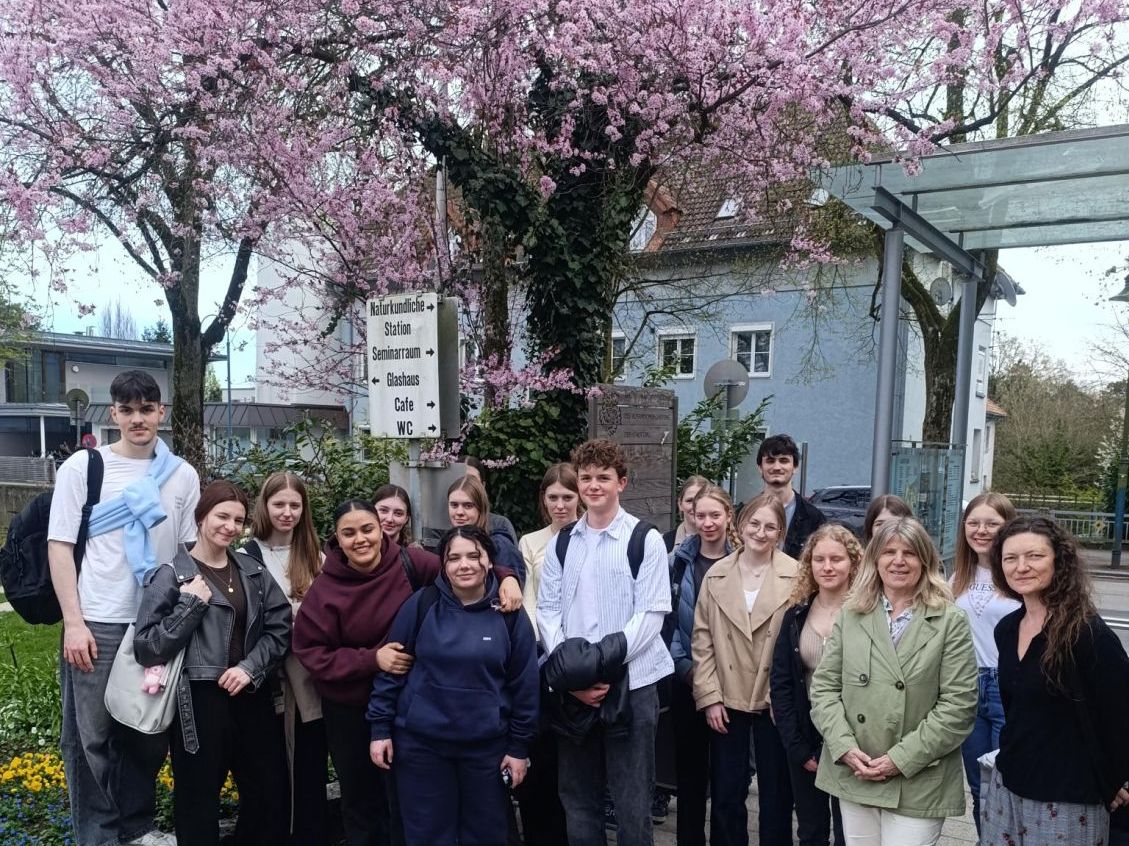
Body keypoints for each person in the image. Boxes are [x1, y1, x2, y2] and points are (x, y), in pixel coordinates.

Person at [294, 500, 523, 846]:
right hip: (351, 710)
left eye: (367, 529)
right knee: (360, 801)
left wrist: (506, 578)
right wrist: (371, 659)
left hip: (406, 707)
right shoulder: (325, 589)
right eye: (349, 533)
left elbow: (461, 565)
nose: (360, 539)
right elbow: (311, 652)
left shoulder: (409, 562)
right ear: (337, 539)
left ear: (381, 530)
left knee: (405, 805)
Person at [47, 369, 200, 846]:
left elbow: (186, 551)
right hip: (97, 619)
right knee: (89, 738)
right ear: (113, 413)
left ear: (161, 413)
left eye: (146, 409)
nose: (138, 419)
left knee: (145, 733)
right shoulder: (84, 468)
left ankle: (136, 828)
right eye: (128, 410)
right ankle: (97, 836)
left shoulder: (182, 474)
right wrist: (73, 622)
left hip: (153, 624)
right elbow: (59, 545)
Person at [134, 480, 292, 845]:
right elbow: (147, 647)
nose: (230, 527)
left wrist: (250, 667)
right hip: (198, 701)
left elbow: (280, 627)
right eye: (222, 516)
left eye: (238, 520)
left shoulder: (252, 571)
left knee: (268, 793)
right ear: (201, 516)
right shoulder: (172, 575)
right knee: (198, 800)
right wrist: (189, 605)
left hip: (250, 694)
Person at [537, 438, 673, 846]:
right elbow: (548, 611)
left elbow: (651, 616)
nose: (593, 485)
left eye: (603, 477)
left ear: (621, 483)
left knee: (632, 802)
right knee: (579, 800)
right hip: (575, 689)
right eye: (586, 478)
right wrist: (573, 672)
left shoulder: (644, 539)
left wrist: (600, 663)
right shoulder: (563, 542)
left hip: (633, 684)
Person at [368, 526, 540, 846]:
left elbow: (525, 685)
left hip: (486, 749)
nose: (465, 565)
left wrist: (519, 748)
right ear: (443, 564)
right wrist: (380, 728)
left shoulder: (509, 615)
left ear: (489, 561)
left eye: (474, 556)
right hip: (422, 747)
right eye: (454, 558)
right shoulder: (422, 604)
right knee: (427, 836)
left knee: (487, 836)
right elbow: (392, 670)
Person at [809, 517, 977, 846]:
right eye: (889, 552)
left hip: (919, 775)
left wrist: (899, 760)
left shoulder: (950, 621)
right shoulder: (852, 613)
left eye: (909, 553)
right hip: (858, 768)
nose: (898, 561)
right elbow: (825, 689)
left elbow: (958, 707)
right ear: (875, 559)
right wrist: (844, 747)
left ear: (925, 561)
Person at [982, 516, 1129, 845]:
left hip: (1067, 798)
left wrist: (1115, 780)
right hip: (1009, 785)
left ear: (1059, 561)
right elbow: (1016, 711)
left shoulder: (1087, 635)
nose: (1021, 567)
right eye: (1010, 558)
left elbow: (1120, 714)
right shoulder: (1007, 629)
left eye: (1034, 556)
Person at [691, 492, 797, 846]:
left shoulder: (797, 575)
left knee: (776, 794)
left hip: (774, 699)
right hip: (727, 697)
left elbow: (799, 641)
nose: (760, 532)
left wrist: (785, 697)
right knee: (726, 792)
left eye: (770, 526)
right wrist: (709, 696)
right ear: (740, 524)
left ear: (780, 532)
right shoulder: (717, 574)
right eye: (754, 523)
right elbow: (702, 639)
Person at [244, 472, 330, 845]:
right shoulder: (246, 556)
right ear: (264, 505)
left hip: (308, 684)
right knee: (270, 776)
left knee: (309, 771)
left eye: (295, 505)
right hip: (266, 684)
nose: (287, 512)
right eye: (279, 504)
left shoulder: (314, 555)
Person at [771, 523, 863, 846]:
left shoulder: (868, 615)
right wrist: (797, 748)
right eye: (819, 559)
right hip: (807, 733)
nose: (827, 567)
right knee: (810, 830)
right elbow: (781, 684)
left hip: (854, 736)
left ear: (853, 563)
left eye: (836, 559)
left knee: (850, 832)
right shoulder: (796, 615)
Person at [514, 463, 581, 846]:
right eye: (553, 497)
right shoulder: (530, 542)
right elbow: (530, 601)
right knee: (542, 751)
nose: (560, 505)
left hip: (583, 657)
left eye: (567, 497)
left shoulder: (591, 537)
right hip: (542, 656)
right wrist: (547, 647)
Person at [668, 483, 738, 846]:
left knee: (729, 780)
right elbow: (668, 623)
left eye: (715, 515)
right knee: (690, 777)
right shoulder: (677, 562)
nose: (707, 522)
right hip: (687, 679)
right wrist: (688, 670)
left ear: (728, 516)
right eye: (700, 515)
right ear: (690, 516)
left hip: (733, 684)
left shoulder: (743, 563)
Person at [949, 492, 1018, 836]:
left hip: (1007, 686)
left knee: (1009, 784)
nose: (981, 530)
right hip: (967, 687)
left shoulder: (1017, 573)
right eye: (974, 523)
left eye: (992, 523)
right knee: (980, 788)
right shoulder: (957, 577)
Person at [756, 434, 826, 558]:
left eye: (783, 460)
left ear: (795, 467)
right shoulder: (744, 514)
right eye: (770, 461)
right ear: (760, 468)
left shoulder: (814, 519)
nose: (777, 467)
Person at [448, 474, 526, 585]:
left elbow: (513, 588)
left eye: (468, 506)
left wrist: (509, 578)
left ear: (481, 508)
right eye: (454, 505)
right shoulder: (446, 544)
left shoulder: (501, 545)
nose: (459, 512)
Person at [462, 456, 519, 544]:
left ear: (483, 485)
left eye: (472, 479)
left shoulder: (500, 525)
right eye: (460, 478)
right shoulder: (440, 527)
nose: (465, 484)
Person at [664, 475, 710, 552]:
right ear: (680, 504)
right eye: (689, 501)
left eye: (701, 499)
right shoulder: (663, 542)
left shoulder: (726, 542)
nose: (695, 506)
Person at [374, 483, 417, 548]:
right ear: (371, 511)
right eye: (383, 510)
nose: (389, 519)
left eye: (398, 513)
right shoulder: (359, 548)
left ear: (406, 518)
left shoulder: (414, 553)